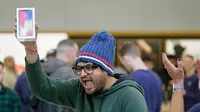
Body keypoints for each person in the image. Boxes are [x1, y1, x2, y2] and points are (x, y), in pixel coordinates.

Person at [14, 21, 148, 112]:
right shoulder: (79, 90)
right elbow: (42, 88)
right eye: (78, 68)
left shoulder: (130, 96)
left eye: (89, 67)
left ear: (106, 70)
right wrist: (31, 50)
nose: (82, 74)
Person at [118, 41, 163, 112]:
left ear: (125, 58)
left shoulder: (131, 80)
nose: (124, 66)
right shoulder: (157, 78)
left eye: (122, 63)